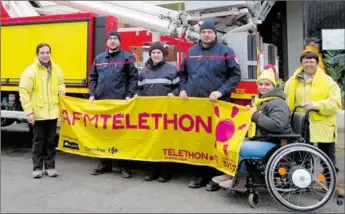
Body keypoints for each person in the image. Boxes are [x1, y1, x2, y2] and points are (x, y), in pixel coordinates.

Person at [170, 20, 241, 191]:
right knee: (199, 141)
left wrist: (220, 91)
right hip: (196, 106)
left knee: (217, 141)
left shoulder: (226, 52)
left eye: (210, 32)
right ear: (200, 34)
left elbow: (235, 76)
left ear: (215, 34)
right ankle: (201, 175)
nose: (206, 35)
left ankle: (215, 178)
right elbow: (183, 74)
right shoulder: (191, 52)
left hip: (218, 105)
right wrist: (183, 89)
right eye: (204, 32)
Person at [212, 64, 293, 188]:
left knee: (238, 146)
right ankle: (232, 175)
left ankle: (240, 180)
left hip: (276, 142)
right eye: (260, 84)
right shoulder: (263, 101)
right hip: (264, 138)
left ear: (274, 85)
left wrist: (255, 115)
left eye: (267, 84)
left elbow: (277, 125)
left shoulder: (277, 102)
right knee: (231, 141)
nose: (263, 87)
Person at [284, 51, 344, 197]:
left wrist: (315, 105)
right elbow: (286, 99)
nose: (309, 64)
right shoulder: (294, 81)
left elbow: (335, 104)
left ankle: (333, 184)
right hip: (302, 122)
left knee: (327, 156)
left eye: (312, 61)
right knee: (302, 155)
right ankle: (302, 182)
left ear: (317, 63)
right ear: (301, 63)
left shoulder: (328, 81)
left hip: (323, 123)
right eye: (306, 61)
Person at [89, 31, 138, 178]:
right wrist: (92, 94)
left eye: (115, 39)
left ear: (119, 41)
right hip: (102, 102)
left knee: (121, 134)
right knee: (104, 134)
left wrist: (129, 95)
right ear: (106, 42)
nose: (112, 41)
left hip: (120, 102)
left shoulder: (127, 57)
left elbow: (133, 78)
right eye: (110, 39)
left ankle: (124, 165)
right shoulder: (99, 58)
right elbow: (93, 77)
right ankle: (105, 163)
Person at [19, 43, 66, 179]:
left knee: (51, 141)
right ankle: (37, 168)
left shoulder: (57, 70)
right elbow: (24, 92)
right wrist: (29, 112)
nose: (45, 55)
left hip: (52, 112)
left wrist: (61, 89)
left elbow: (61, 83)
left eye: (47, 52)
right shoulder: (30, 72)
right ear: (37, 55)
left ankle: (50, 167)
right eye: (42, 53)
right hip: (38, 114)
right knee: (38, 141)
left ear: (50, 53)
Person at [135, 42, 179, 182]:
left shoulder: (172, 70)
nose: (156, 55)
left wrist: (174, 93)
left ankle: (165, 172)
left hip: (166, 113)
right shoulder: (144, 71)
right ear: (150, 54)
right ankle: (151, 170)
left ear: (163, 54)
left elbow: (179, 87)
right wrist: (137, 95)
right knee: (150, 142)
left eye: (158, 52)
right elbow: (139, 88)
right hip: (148, 114)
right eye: (153, 52)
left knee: (165, 142)